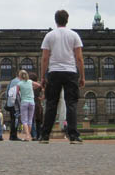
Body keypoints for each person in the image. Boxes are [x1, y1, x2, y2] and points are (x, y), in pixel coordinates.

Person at [40, 10, 85, 144]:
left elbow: (44, 58)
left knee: (51, 103)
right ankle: (73, 136)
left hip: (54, 72)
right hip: (70, 72)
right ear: (67, 20)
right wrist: (82, 76)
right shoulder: (74, 35)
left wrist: (43, 77)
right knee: (71, 103)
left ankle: (45, 136)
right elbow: (79, 58)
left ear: (56, 20)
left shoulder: (49, 36)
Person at [17, 70, 41, 141]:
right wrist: (32, 88)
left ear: (20, 76)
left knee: (24, 120)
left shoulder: (19, 83)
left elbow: (16, 93)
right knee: (30, 119)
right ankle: (28, 136)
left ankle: (27, 135)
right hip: (32, 102)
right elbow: (39, 85)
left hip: (24, 102)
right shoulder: (30, 82)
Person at [6, 72, 22, 141]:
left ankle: (12, 136)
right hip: (16, 103)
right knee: (15, 119)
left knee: (13, 119)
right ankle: (14, 136)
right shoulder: (19, 82)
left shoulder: (12, 81)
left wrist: (8, 100)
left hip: (10, 103)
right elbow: (19, 93)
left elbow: (7, 92)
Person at [29, 73, 43, 141]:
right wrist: (42, 98)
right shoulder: (39, 85)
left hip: (30, 102)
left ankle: (33, 135)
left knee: (31, 120)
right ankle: (39, 136)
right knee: (38, 120)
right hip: (37, 103)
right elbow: (44, 91)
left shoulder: (28, 85)